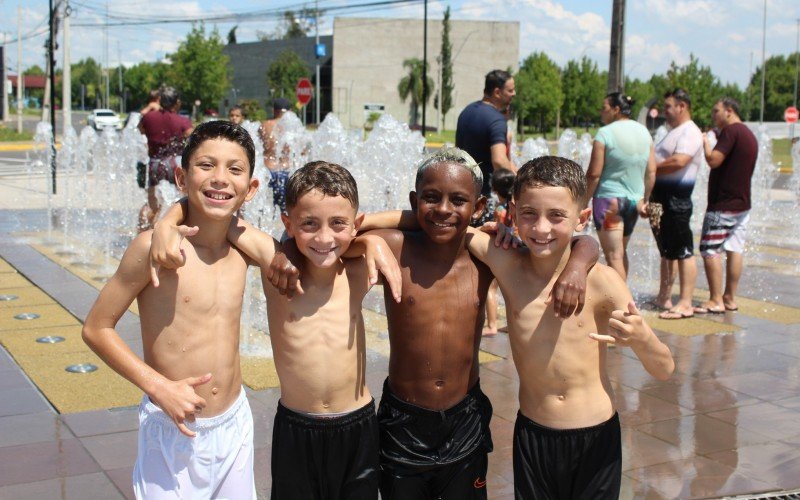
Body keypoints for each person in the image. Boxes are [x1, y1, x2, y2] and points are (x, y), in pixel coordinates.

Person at [354, 149, 599, 499]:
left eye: (458, 201)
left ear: (479, 206)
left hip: (464, 419)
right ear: (414, 200)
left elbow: (580, 241)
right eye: (430, 198)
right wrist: (369, 239)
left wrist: (578, 266)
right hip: (403, 421)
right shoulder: (395, 247)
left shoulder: (485, 255)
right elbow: (340, 232)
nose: (443, 209)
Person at [153, 161, 402, 500]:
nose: (325, 237)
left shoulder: (357, 270)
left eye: (339, 224)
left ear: (355, 225)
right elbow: (213, 212)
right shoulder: (275, 265)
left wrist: (372, 241)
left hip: (357, 425)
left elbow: (418, 219)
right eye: (309, 224)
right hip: (297, 427)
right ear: (288, 223)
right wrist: (168, 221)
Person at [464, 156, 675, 499]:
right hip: (534, 434)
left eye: (557, 216)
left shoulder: (603, 282)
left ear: (582, 217)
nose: (541, 228)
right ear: (513, 212)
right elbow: (446, 227)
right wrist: (369, 240)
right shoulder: (507, 263)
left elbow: (665, 369)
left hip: (595, 436)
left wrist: (641, 338)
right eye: (529, 214)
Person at [82, 121, 261, 499]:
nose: (219, 179)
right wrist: (158, 387)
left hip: (234, 423)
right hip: (171, 425)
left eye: (234, 169)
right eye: (205, 165)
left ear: (251, 187)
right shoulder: (154, 249)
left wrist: (375, 244)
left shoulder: (246, 248)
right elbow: (97, 328)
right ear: (181, 176)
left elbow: (308, 249)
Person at [694, 97, 758, 314]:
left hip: (723, 205)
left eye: (716, 111)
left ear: (729, 111)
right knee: (734, 249)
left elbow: (714, 160)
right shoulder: (749, 134)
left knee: (710, 249)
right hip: (742, 204)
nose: (713, 116)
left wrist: (705, 143)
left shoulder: (731, 132)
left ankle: (715, 300)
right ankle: (729, 298)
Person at [585, 92, 656, 281]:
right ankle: (624, 301)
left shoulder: (605, 133)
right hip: (633, 202)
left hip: (609, 202)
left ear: (616, 110)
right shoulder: (644, 132)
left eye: (604, 108)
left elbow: (593, 174)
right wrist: (645, 199)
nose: (601, 112)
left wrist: (581, 201)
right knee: (620, 253)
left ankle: (622, 304)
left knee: (613, 256)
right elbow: (651, 172)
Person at [648, 88, 704, 319]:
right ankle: (664, 296)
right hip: (661, 200)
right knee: (667, 251)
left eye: (669, 107)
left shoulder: (689, 132)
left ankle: (686, 302)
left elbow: (680, 160)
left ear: (682, 106)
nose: (665, 111)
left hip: (676, 200)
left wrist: (651, 167)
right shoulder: (673, 131)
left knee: (683, 251)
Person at [456, 69, 518, 226]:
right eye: (510, 90)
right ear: (497, 92)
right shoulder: (496, 120)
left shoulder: (467, 111)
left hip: (462, 190)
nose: (514, 94)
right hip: (484, 200)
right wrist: (519, 187)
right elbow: (499, 160)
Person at [138, 86, 194, 230]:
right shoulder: (182, 121)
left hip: (154, 164)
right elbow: (192, 137)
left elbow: (141, 129)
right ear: (177, 103)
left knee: (152, 205)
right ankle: (177, 230)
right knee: (183, 201)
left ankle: (146, 234)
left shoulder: (149, 117)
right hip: (175, 164)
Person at [484, 168, 516, 336]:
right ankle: (513, 325)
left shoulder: (500, 210)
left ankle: (492, 325)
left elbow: (498, 229)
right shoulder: (515, 207)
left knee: (491, 288)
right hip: (515, 251)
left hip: (501, 251)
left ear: (495, 190)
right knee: (511, 292)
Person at [260, 97, 292, 214]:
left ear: (274, 110)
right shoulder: (293, 127)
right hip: (286, 171)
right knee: (287, 213)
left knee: (267, 212)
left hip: (269, 170)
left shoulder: (265, 125)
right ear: (289, 111)